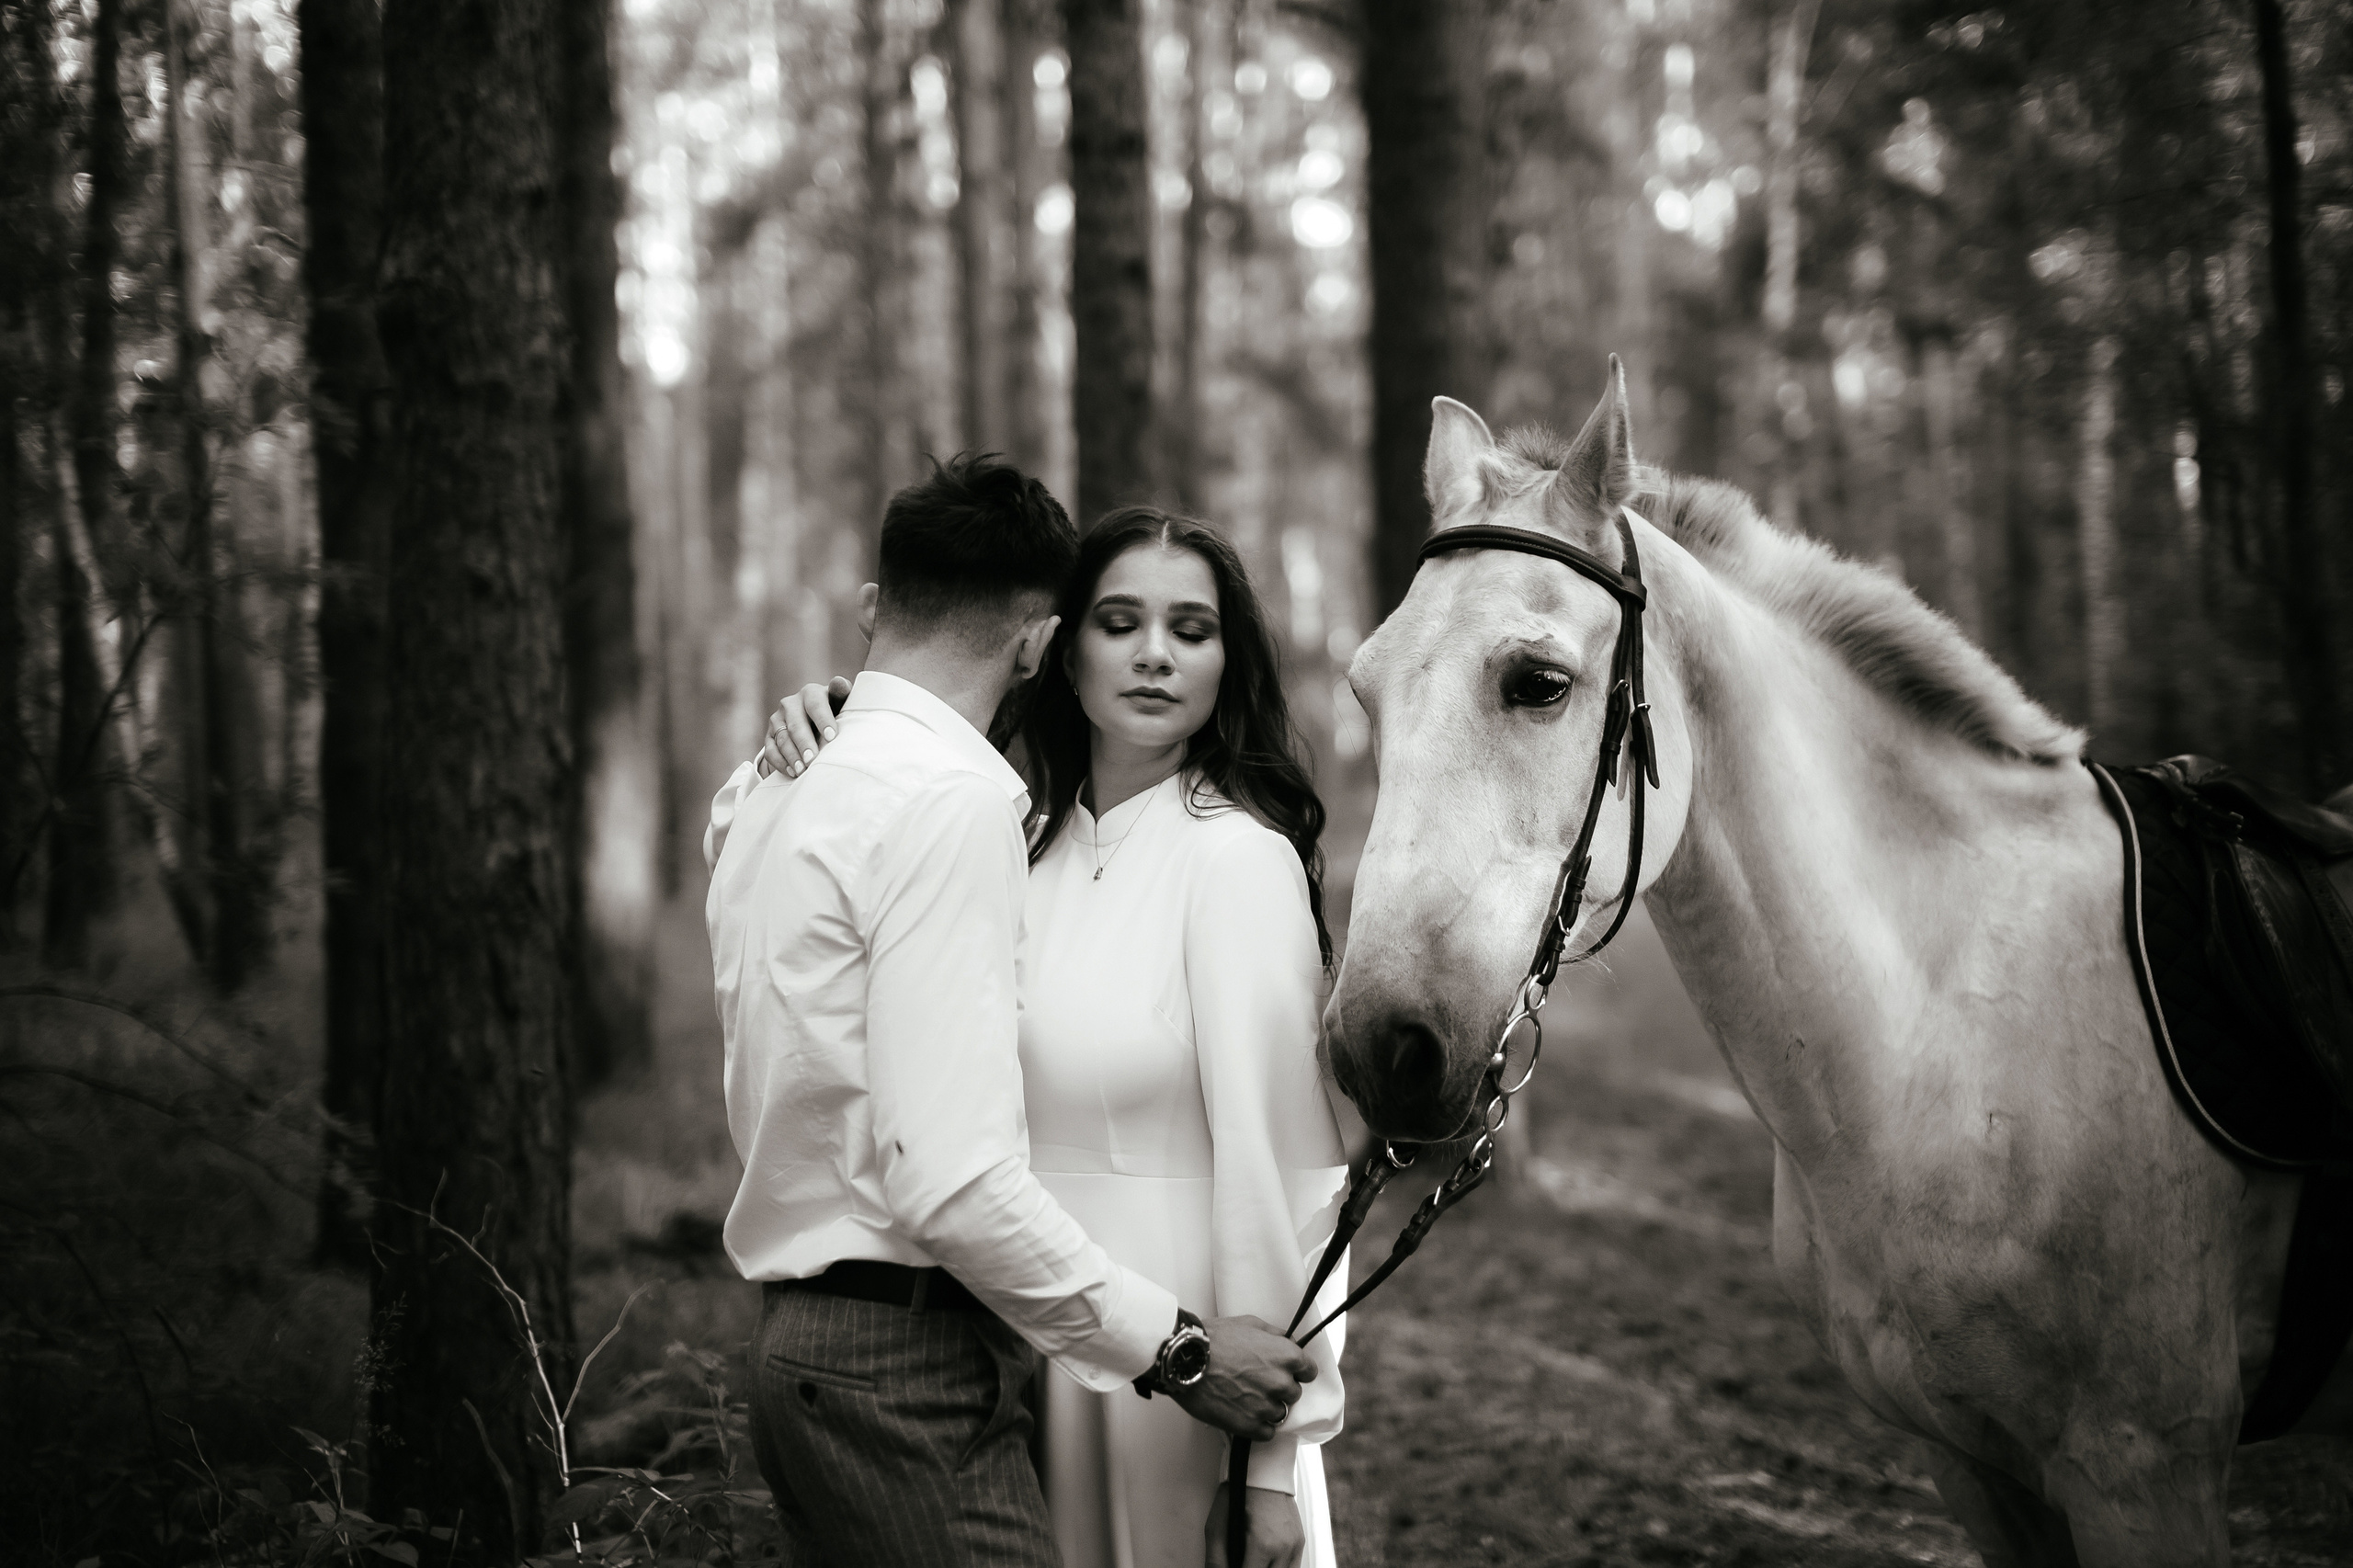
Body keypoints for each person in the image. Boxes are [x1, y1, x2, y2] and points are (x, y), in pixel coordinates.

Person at [704, 459, 1318, 1568]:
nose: (1153, 654)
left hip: (1181, 1367)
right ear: (1051, 647)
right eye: (1119, 622)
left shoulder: (1237, 861)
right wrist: (826, 725)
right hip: (1021, 1338)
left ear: (1229, 661)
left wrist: (1268, 1457)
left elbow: (1283, 1176)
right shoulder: (1007, 835)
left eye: (1191, 630)